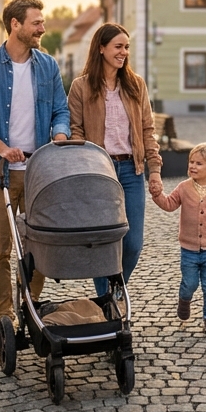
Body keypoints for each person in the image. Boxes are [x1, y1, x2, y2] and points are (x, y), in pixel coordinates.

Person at [0, 0, 70, 350]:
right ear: (15, 25)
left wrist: (59, 134)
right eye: (37, 23)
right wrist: (0, 147)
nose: (42, 28)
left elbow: (60, 109)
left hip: (39, 170)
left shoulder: (48, 66)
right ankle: (3, 321)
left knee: (39, 245)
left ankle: (29, 307)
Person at [68, 23, 164, 296]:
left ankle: (115, 289)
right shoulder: (81, 87)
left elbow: (148, 130)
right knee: (102, 243)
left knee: (133, 243)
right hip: (99, 173)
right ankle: (106, 302)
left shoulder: (136, 85)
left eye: (127, 47)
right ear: (101, 48)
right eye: (118, 47)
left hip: (131, 172)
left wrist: (154, 170)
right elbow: (77, 132)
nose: (124, 53)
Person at [151, 142, 206, 337]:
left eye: (199, 163)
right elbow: (169, 204)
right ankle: (184, 298)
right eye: (191, 162)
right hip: (188, 250)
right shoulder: (184, 187)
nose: (192, 166)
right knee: (190, 283)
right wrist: (157, 195)